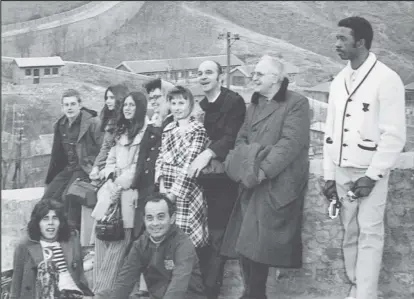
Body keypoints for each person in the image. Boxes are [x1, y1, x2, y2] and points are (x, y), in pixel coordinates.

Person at [323, 16, 406, 299]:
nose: (336, 44)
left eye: (342, 39)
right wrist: (328, 175)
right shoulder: (338, 80)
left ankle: (366, 295)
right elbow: (329, 131)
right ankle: (355, 286)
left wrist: (373, 176)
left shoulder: (387, 78)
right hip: (342, 170)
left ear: (360, 42)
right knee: (350, 232)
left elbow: (394, 136)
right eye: (336, 38)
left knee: (370, 234)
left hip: (369, 172)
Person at [222, 55, 310, 299]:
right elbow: (241, 141)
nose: (253, 77)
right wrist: (246, 165)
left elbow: (289, 145)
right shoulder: (255, 106)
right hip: (250, 182)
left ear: (275, 78)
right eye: (254, 74)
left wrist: (260, 170)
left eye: (259, 74)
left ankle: (253, 294)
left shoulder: (297, 103)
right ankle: (251, 293)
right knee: (244, 243)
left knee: (258, 245)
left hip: (276, 184)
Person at [188, 60, 246, 298]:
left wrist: (208, 153)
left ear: (220, 76)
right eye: (200, 73)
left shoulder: (234, 102)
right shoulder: (201, 108)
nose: (203, 77)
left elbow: (233, 136)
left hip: (224, 182)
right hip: (204, 183)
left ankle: (210, 292)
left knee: (217, 238)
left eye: (209, 73)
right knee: (202, 238)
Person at [94, 193, 206, 299]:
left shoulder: (183, 244)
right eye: (150, 218)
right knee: (104, 295)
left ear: (172, 218)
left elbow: (178, 287)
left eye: (161, 217)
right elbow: (125, 281)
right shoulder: (140, 244)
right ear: (144, 220)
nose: (155, 223)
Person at [91, 91, 149, 293]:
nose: (127, 108)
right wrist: (110, 177)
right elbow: (110, 159)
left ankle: (101, 291)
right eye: (125, 105)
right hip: (111, 187)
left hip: (129, 192)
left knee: (118, 240)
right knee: (100, 236)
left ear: (140, 107)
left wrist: (120, 184)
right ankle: (100, 288)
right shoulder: (120, 130)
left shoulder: (146, 132)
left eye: (132, 105)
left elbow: (138, 166)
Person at [155, 86, 209, 249]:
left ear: (190, 104)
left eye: (181, 103)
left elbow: (190, 165)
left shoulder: (198, 130)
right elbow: (161, 158)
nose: (177, 107)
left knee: (187, 241)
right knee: (168, 240)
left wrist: (173, 194)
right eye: (173, 103)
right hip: (167, 190)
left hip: (187, 192)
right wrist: (162, 185)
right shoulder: (168, 129)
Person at [43, 89, 104, 230]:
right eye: (66, 105)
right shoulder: (61, 125)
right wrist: (52, 178)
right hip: (68, 169)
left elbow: (103, 149)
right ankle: (49, 232)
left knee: (68, 196)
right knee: (48, 196)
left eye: (73, 104)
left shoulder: (93, 123)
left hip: (85, 168)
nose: (69, 108)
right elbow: (57, 154)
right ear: (62, 107)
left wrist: (95, 167)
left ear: (80, 105)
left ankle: (70, 233)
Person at [10, 198, 92, 299]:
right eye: (45, 218)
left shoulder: (72, 238)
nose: (50, 222)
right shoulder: (24, 246)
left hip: (73, 293)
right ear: (37, 223)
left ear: (60, 222)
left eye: (55, 218)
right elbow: (16, 284)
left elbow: (80, 274)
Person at [89, 84, 130, 181]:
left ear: (120, 98)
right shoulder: (110, 120)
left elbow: (124, 153)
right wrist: (96, 167)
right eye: (106, 98)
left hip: (121, 170)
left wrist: (108, 170)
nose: (107, 101)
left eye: (112, 98)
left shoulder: (128, 121)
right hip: (108, 166)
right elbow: (106, 147)